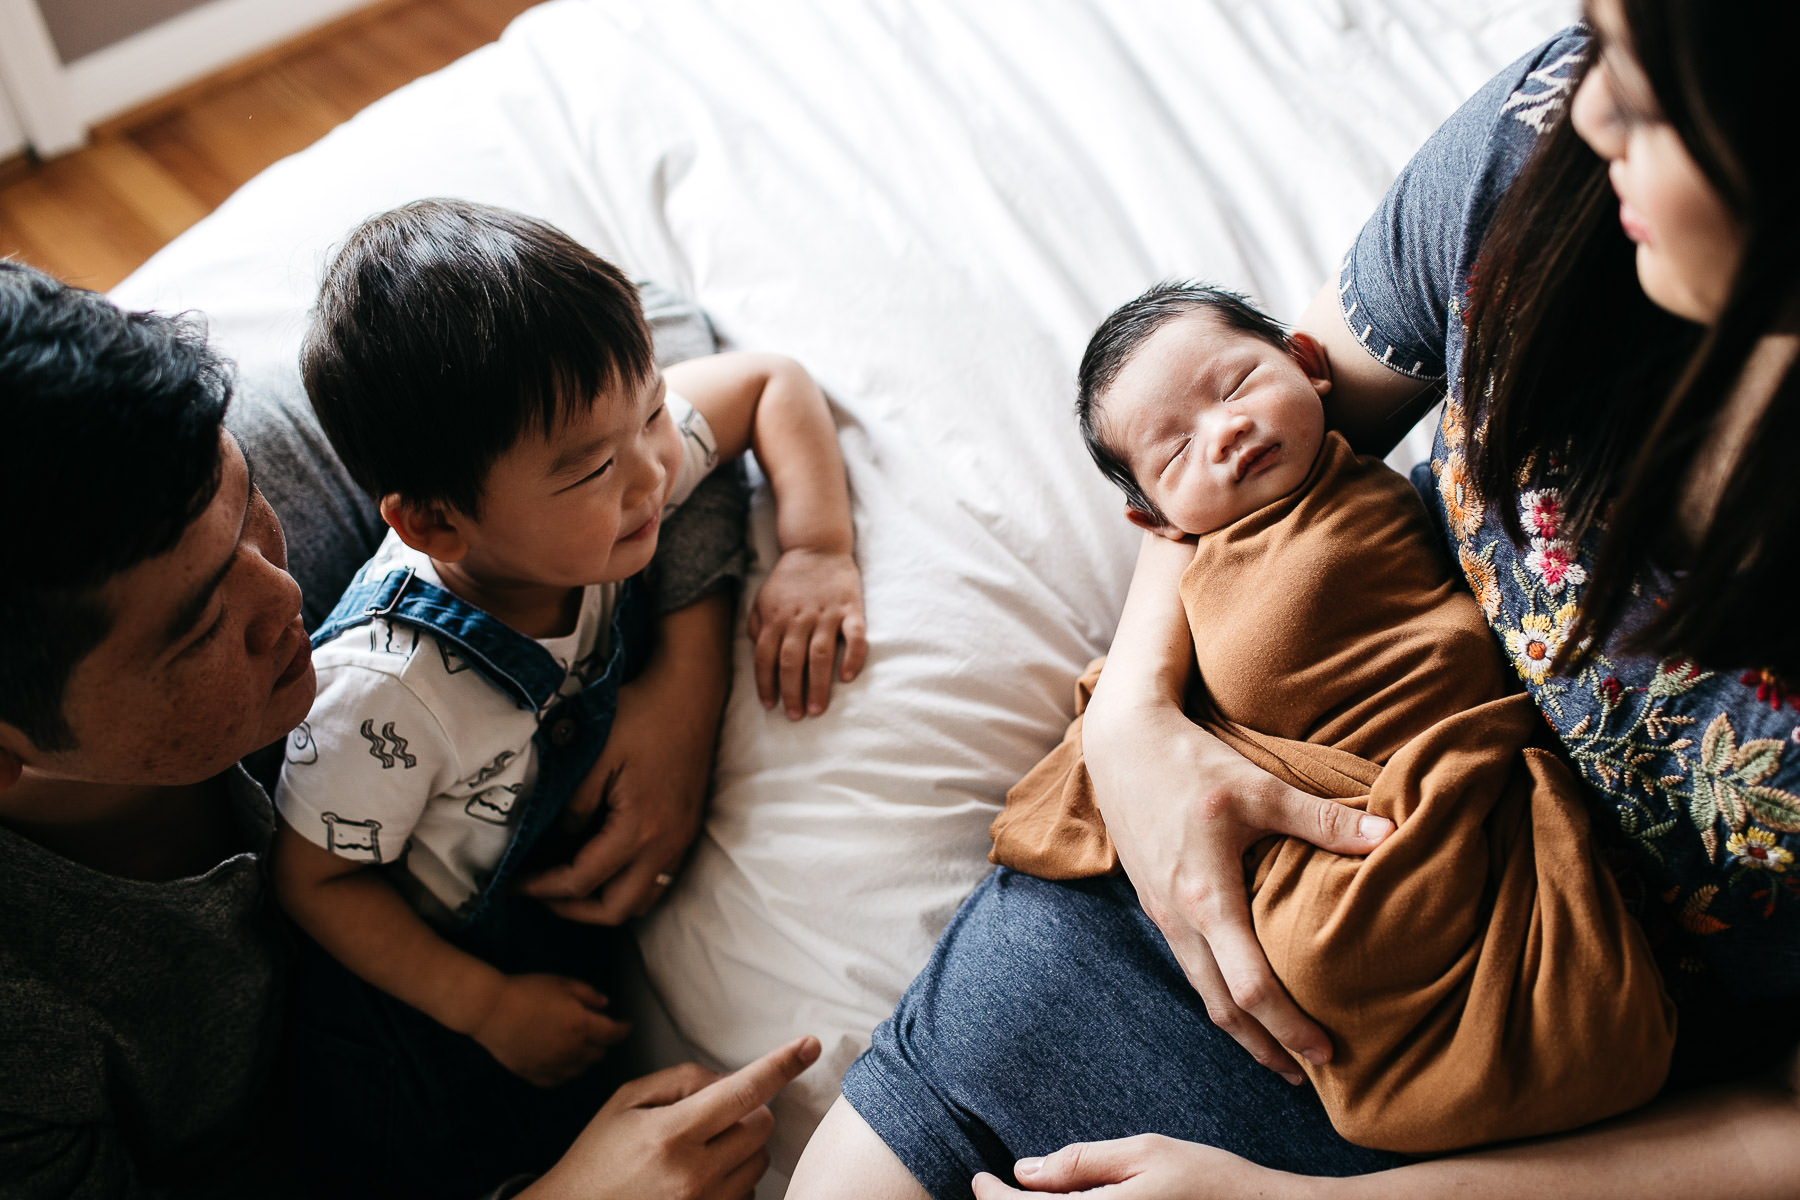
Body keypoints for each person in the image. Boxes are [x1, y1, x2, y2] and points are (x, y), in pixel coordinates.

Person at [787, 1, 1800, 1197]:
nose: (1589, 102)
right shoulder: (1543, 150)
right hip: (1199, 858)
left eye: (1652, 89)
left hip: (1527, 1085)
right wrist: (1135, 726)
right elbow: (1264, 411)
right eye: (1597, 38)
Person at [0, 257, 821, 1200]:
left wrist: (682, 675)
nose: (285, 593)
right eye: (195, 631)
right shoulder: (25, 1046)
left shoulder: (167, 464)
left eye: (246, 508)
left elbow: (641, 335)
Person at [987, 281, 1673, 1153]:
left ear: (1310, 367)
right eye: (1174, 455)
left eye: (1235, 387)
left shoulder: (1366, 494)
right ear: (1151, 520)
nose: (1224, 432)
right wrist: (1131, 721)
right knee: (1320, 952)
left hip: (1435, 796)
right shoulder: (1194, 578)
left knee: (1358, 949)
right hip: (1305, 867)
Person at [271, 199, 866, 1195]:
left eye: (645, 412)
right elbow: (313, 885)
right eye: (596, 466)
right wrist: (484, 1007)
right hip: (413, 1001)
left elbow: (772, 383)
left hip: (541, 914)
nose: (654, 471)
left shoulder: (607, 475)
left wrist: (815, 550)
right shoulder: (381, 696)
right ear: (436, 525)